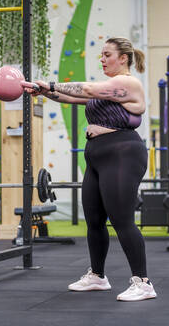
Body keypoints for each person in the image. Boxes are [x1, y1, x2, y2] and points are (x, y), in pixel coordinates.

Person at [23, 37, 156, 302]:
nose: (102, 59)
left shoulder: (128, 83)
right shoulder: (106, 89)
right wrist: (42, 91)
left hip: (122, 153)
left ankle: (143, 283)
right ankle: (97, 276)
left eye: (107, 54)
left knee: (121, 219)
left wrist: (49, 83)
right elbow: (73, 97)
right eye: (102, 55)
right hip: (97, 155)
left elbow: (87, 89)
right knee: (94, 219)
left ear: (124, 58)